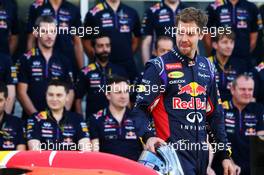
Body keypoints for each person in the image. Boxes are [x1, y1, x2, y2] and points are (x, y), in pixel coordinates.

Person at [131, 7, 235, 175]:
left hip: (201, 157)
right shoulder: (158, 67)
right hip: (171, 157)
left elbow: (215, 115)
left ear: (201, 35)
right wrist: (148, 136)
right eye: (180, 32)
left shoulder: (207, 67)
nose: (184, 39)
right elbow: (139, 109)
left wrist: (224, 154)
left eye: (190, 34)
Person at [17, 15, 74, 120]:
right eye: (44, 31)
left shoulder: (64, 61)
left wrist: (60, 116)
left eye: (52, 31)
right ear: (36, 33)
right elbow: (21, 93)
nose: (49, 36)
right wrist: (37, 118)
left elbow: (70, 91)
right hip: (31, 120)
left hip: (58, 122)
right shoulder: (25, 59)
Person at [213, 75, 264, 175]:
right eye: (242, 89)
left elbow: (261, 140)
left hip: (252, 169)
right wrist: (228, 160)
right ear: (232, 90)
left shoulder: (259, 109)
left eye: (250, 90)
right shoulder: (221, 109)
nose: (247, 93)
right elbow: (215, 139)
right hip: (225, 169)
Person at [83, 0, 141, 82]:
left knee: (130, 93)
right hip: (104, 66)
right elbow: (86, 41)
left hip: (128, 65)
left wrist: (127, 54)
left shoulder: (131, 12)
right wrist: (97, 57)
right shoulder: (93, 13)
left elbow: (137, 38)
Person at [27, 79, 91, 151]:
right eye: (51, 95)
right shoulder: (35, 118)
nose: (54, 99)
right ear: (46, 95)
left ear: (67, 97)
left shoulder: (77, 119)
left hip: (71, 161)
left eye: (59, 95)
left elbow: (86, 149)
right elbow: (34, 149)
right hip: (44, 161)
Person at [89, 75, 143, 160]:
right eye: (118, 92)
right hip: (107, 170)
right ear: (108, 95)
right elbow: (94, 153)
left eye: (126, 91)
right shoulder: (96, 119)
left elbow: (147, 149)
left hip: (134, 170)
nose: (123, 96)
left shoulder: (138, 118)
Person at [26, 0, 83, 79]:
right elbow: (31, 39)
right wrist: (30, 62)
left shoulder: (72, 9)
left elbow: (77, 42)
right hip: (42, 61)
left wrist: (81, 72)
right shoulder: (37, 7)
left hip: (68, 60)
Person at [75, 34, 127, 119]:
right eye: (100, 46)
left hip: (116, 122)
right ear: (93, 48)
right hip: (92, 122)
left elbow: (126, 98)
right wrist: (81, 123)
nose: (104, 49)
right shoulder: (85, 72)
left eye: (107, 45)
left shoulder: (120, 71)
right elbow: (78, 100)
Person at [205, 0, 263, 71]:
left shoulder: (251, 7)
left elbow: (254, 38)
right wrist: (213, 53)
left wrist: (243, 53)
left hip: (243, 60)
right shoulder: (213, 6)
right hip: (218, 61)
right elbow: (207, 35)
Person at [209, 30, 242, 101]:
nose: (229, 46)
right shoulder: (206, 63)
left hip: (232, 108)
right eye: (225, 42)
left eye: (231, 42)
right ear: (215, 45)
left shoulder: (239, 65)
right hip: (211, 107)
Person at [0, 82, 25, 150]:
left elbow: (20, 154)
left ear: (7, 100)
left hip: (10, 160)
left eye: (0, 100)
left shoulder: (17, 123)